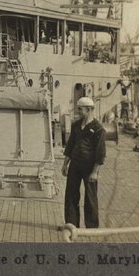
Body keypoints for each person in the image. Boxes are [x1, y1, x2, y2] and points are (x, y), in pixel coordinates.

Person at [61, 96, 106, 228]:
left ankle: (92, 227)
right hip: (75, 166)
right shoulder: (76, 125)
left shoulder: (98, 129)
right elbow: (70, 146)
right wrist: (65, 164)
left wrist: (94, 172)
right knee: (71, 195)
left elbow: (100, 153)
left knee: (90, 198)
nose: (78, 111)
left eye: (80, 109)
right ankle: (71, 224)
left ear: (89, 109)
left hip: (89, 168)